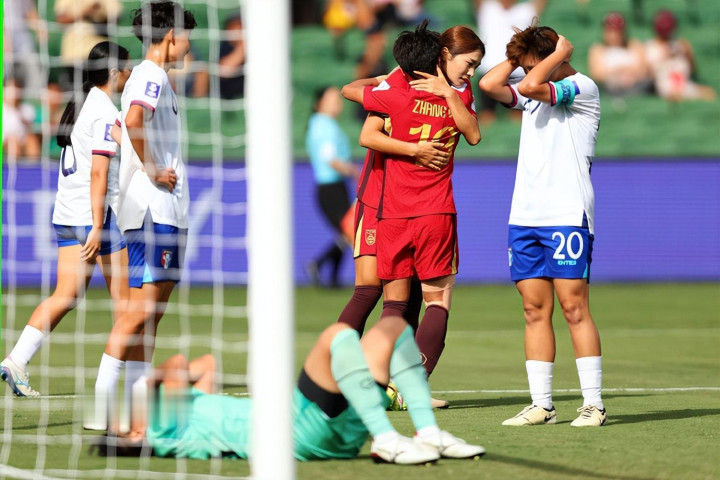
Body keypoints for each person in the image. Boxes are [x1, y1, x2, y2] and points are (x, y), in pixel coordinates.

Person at [96, 316, 486, 463]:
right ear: (136, 434)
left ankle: (427, 432)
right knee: (336, 335)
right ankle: (386, 438)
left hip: (337, 434)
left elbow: (205, 365)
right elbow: (178, 364)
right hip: (296, 428)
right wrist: (145, 387)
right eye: (124, 422)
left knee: (394, 328)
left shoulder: (186, 415)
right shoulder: (161, 431)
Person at [341, 22, 483, 405]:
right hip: (417, 207)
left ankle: (377, 381)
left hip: (393, 211)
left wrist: (387, 80)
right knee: (404, 296)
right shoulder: (448, 95)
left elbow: (351, 95)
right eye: (469, 63)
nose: (471, 73)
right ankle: (401, 385)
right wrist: (418, 146)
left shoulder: (395, 93)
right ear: (443, 56)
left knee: (397, 300)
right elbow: (474, 135)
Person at [479, 24, 606, 427]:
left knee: (573, 308)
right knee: (533, 309)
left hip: (567, 214)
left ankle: (594, 404)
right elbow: (488, 84)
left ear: (557, 57)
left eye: (533, 63)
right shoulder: (533, 92)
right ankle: (542, 405)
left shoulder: (582, 88)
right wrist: (517, 56)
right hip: (525, 216)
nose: (525, 71)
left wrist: (553, 57)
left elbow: (531, 85)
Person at [1, 41, 131, 398]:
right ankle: (121, 387)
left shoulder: (84, 103)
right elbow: (98, 174)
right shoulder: (103, 111)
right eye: (127, 67)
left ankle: (16, 360)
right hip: (94, 217)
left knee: (66, 294)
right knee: (128, 307)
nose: (130, 73)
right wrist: (99, 226)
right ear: (114, 72)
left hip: (66, 215)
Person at [93, 1, 196, 427]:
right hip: (154, 210)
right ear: (171, 35)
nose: (189, 45)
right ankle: (101, 408)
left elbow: (123, 125)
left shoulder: (153, 77)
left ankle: (137, 410)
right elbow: (133, 120)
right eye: (186, 36)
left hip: (159, 211)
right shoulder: (151, 74)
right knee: (140, 312)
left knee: (149, 315)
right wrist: (152, 168)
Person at [305, 86, 360, 288]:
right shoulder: (323, 125)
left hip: (335, 187)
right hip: (331, 189)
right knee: (350, 231)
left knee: (346, 233)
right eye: (332, 99)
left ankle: (331, 277)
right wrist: (353, 171)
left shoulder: (323, 124)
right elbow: (330, 158)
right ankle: (319, 265)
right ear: (319, 104)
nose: (338, 103)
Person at [474, 0, 547, 124]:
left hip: (519, 72)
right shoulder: (488, 7)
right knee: (486, 116)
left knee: (519, 118)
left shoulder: (526, 10)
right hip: (489, 70)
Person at [644, 9, 715, 102]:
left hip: (683, 84)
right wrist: (663, 56)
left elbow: (693, 71)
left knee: (710, 93)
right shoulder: (650, 47)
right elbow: (647, 75)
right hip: (665, 87)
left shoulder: (680, 45)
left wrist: (688, 54)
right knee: (676, 96)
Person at [587, 12, 651, 97]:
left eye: (617, 31)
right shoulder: (598, 49)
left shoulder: (635, 45)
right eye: (610, 31)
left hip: (636, 87)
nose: (614, 35)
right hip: (609, 90)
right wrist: (619, 73)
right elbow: (597, 74)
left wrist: (629, 75)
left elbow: (644, 70)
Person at [218, 14, 245, 99]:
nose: (238, 30)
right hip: (230, 96)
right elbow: (223, 71)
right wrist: (243, 45)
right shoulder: (225, 46)